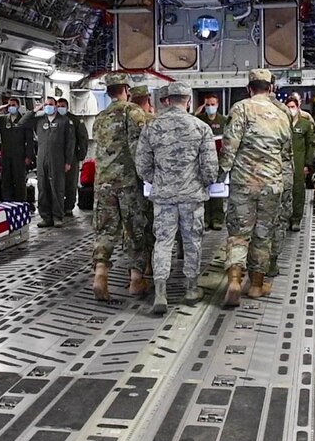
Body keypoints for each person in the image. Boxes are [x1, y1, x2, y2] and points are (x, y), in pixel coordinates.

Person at [136, 81, 217, 313]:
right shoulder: (201, 128)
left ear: (167, 100)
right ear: (188, 101)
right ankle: (191, 289)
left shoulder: (152, 127)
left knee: (163, 242)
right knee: (192, 242)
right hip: (192, 198)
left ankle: (160, 292)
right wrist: (202, 183)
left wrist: (159, 180)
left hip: (163, 197)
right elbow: (210, 169)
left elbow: (142, 165)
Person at [217, 69, 293, 306]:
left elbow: (229, 147)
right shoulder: (282, 114)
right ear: (270, 89)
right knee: (264, 235)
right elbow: (286, 152)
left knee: (239, 234)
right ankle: (257, 286)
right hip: (272, 184)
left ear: (249, 88)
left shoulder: (241, 108)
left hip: (244, 183)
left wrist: (221, 175)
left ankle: (235, 280)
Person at [91, 73, 151, 301]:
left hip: (103, 183)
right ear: (126, 88)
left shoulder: (100, 116)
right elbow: (139, 149)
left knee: (105, 230)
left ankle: (100, 273)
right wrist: (148, 176)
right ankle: (136, 279)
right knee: (135, 229)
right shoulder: (133, 112)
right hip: (128, 184)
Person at [20, 96, 74, 227]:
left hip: (58, 158)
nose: (48, 107)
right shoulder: (39, 120)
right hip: (42, 157)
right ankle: (46, 217)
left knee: (57, 188)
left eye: (50, 104)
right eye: (46, 105)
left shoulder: (65, 121)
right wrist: (34, 110)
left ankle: (57, 217)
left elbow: (70, 142)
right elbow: (22, 123)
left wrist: (68, 161)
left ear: (56, 106)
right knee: (43, 188)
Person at [195, 94, 229, 230]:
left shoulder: (223, 121)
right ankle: (205, 218)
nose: (210, 107)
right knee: (204, 190)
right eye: (207, 105)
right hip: (202, 160)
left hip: (218, 159)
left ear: (218, 104)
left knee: (217, 190)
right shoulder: (199, 120)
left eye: (212, 104)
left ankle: (217, 218)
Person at [284, 93, 315, 232]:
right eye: (288, 107)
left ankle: (296, 219)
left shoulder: (305, 123)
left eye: (293, 106)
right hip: (284, 163)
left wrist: (308, 164)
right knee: (284, 192)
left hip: (299, 163)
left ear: (298, 107)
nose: (291, 109)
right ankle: (285, 219)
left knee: (298, 191)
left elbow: (311, 144)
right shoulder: (282, 123)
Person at [0, 96, 33, 202]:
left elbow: (29, 140)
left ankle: (21, 202)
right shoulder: (3, 120)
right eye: (9, 105)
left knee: (19, 180)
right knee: (6, 180)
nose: (11, 107)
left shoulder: (24, 120)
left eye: (13, 105)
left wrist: (29, 156)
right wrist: (1, 108)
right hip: (6, 155)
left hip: (19, 155)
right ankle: (8, 202)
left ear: (18, 106)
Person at [57, 97, 88, 217]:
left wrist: (81, 155)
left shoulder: (74, 120)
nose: (60, 108)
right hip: (57, 156)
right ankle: (58, 205)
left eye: (62, 106)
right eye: (58, 106)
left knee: (71, 182)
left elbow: (82, 138)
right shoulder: (54, 119)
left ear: (67, 107)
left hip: (72, 156)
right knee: (57, 183)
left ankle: (69, 206)